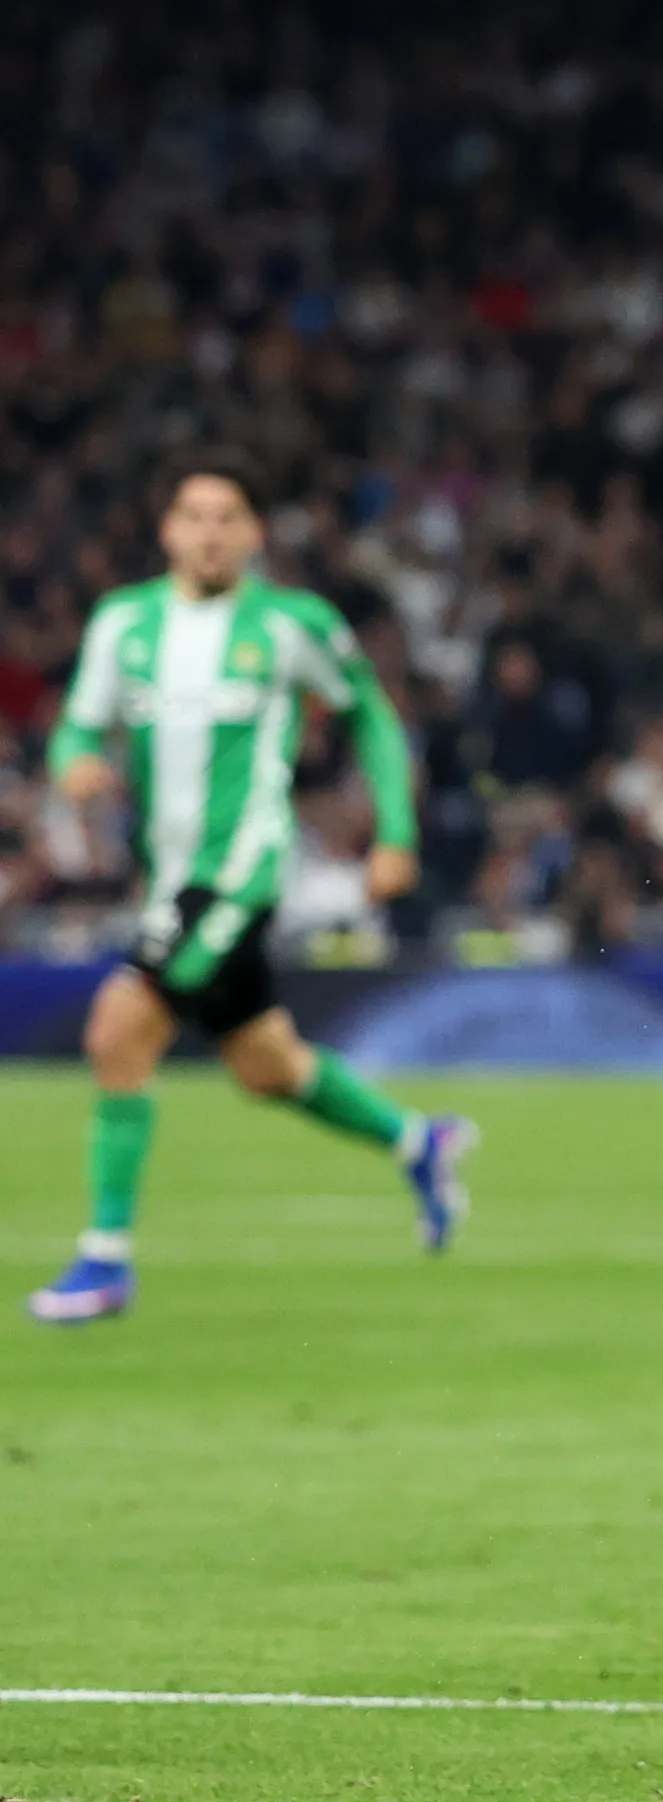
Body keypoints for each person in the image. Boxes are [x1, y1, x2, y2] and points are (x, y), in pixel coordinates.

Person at [28, 463, 473, 1326]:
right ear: (166, 531)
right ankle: (419, 1143)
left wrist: (396, 834)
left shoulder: (290, 624)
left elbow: (372, 715)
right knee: (265, 1067)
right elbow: (81, 722)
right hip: (170, 873)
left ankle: (105, 1260)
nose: (209, 532)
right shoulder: (124, 625)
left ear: (255, 534)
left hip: (244, 865)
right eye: (193, 516)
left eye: (227, 517)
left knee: (120, 1026)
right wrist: (73, 762)